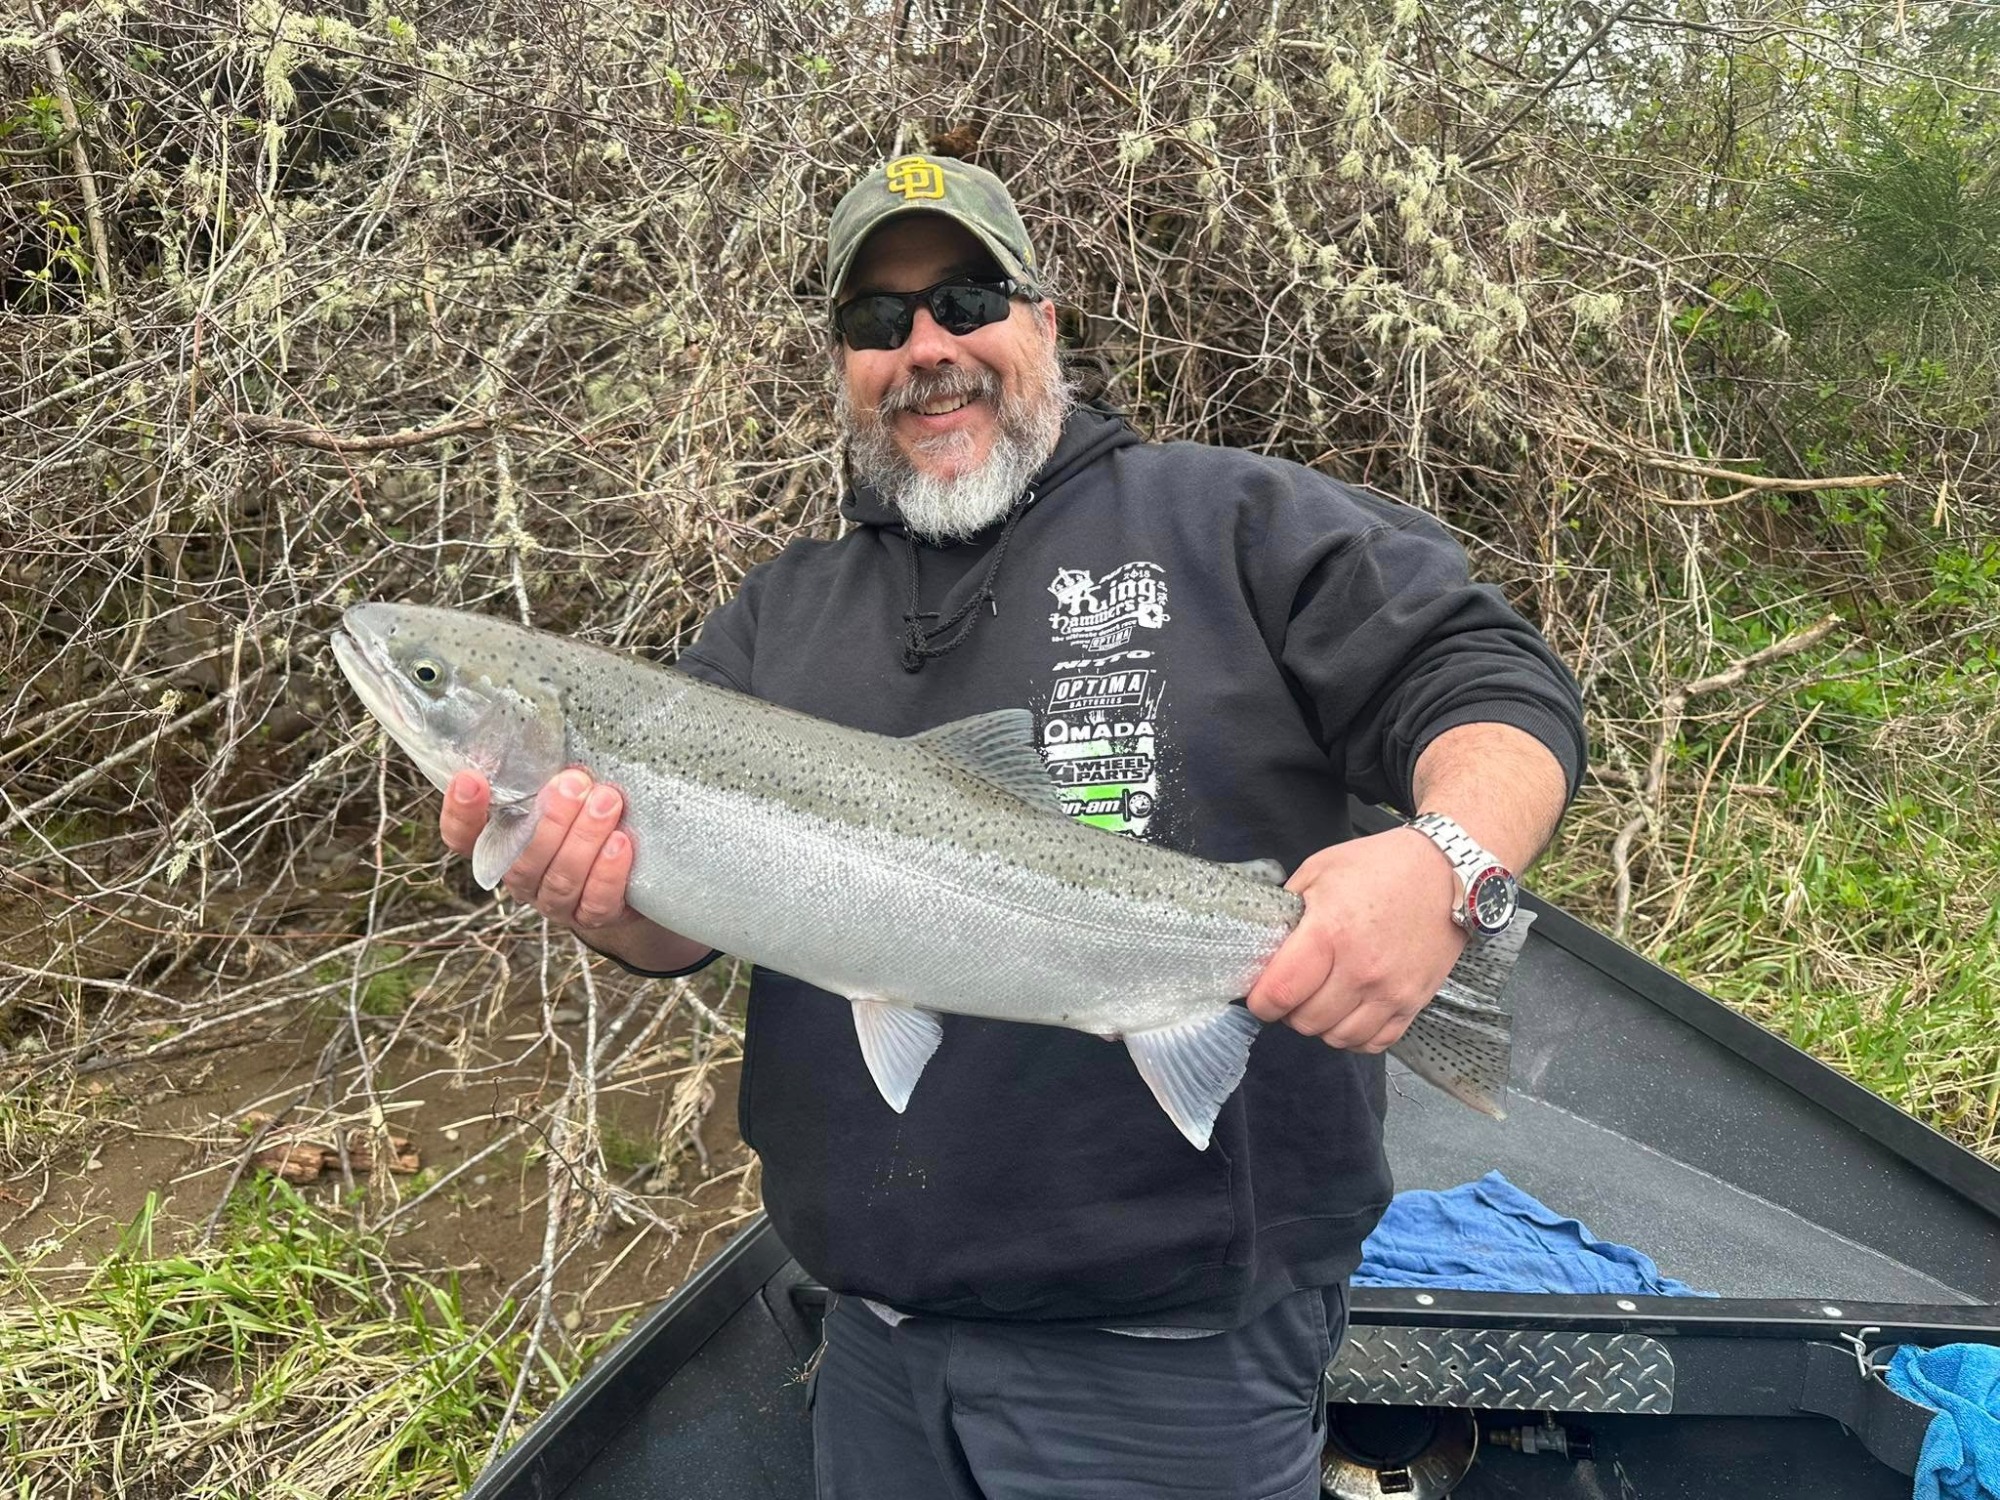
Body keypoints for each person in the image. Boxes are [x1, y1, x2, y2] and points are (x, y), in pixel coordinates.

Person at [440, 155, 1585, 1499]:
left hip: (1177, 1356)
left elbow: (1487, 680)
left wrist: (1448, 865)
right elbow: (675, 923)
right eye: (879, 321)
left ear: (1043, 318)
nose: (926, 348)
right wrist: (599, 897)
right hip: (873, 1331)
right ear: (845, 365)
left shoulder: (1231, 521)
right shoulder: (774, 618)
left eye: (966, 300)